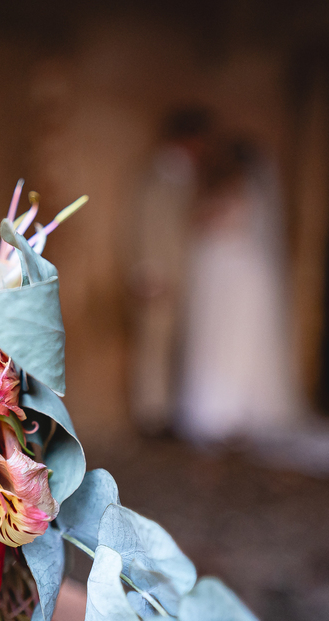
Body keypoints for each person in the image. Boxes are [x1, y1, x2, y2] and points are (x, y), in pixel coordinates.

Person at [176, 138, 303, 445]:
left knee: (230, 341)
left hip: (234, 277)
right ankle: (218, 410)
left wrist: (204, 220)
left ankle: (225, 410)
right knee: (218, 340)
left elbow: (223, 224)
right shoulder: (237, 192)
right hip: (228, 275)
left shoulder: (244, 194)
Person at [127, 109, 209, 436]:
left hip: (185, 272)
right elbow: (140, 224)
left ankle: (171, 412)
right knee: (153, 345)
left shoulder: (189, 174)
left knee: (175, 343)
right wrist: (146, 270)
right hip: (157, 274)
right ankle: (150, 417)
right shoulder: (155, 174)